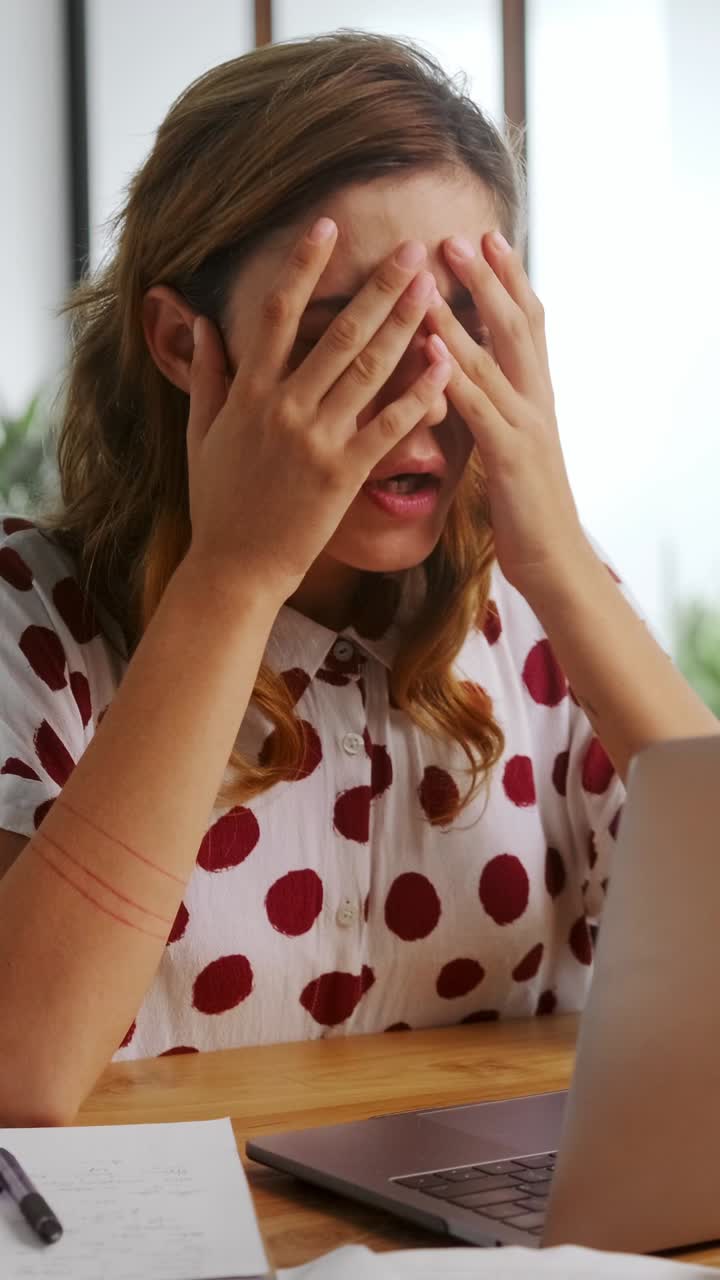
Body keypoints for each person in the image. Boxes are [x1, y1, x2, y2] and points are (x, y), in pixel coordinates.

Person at [0, 31, 715, 1125]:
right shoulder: (28, 619)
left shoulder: (543, 617)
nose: (425, 396)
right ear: (183, 344)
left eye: (465, 329)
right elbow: (20, 1068)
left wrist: (562, 563)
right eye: (353, 336)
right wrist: (233, 577)